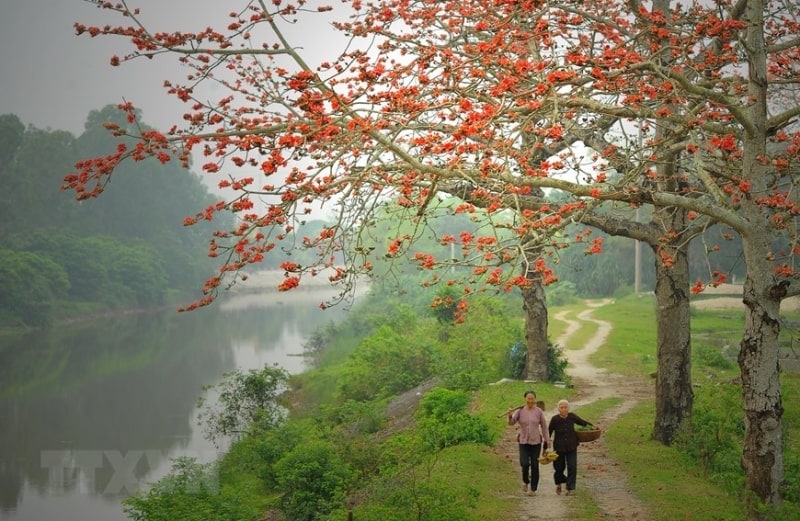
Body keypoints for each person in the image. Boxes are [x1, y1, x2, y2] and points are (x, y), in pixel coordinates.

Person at [507, 390, 551, 495]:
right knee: (525, 463)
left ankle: (533, 489)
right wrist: (509, 415)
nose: (530, 400)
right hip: (523, 442)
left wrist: (547, 439)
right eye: (528, 398)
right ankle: (525, 481)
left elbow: (544, 426)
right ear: (525, 399)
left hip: (536, 442)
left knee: (535, 465)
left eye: (532, 399)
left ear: (535, 400)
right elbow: (511, 423)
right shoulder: (520, 411)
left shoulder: (538, 411)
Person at [548, 399, 593, 496]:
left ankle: (570, 488)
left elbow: (582, 422)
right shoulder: (555, 419)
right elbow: (549, 432)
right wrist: (545, 445)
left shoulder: (572, 416)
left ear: (568, 408)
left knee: (572, 466)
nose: (564, 409)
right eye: (561, 407)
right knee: (559, 468)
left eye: (565, 407)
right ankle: (559, 483)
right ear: (558, 409)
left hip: (572, 446)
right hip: (559, 447)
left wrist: (592, 427)